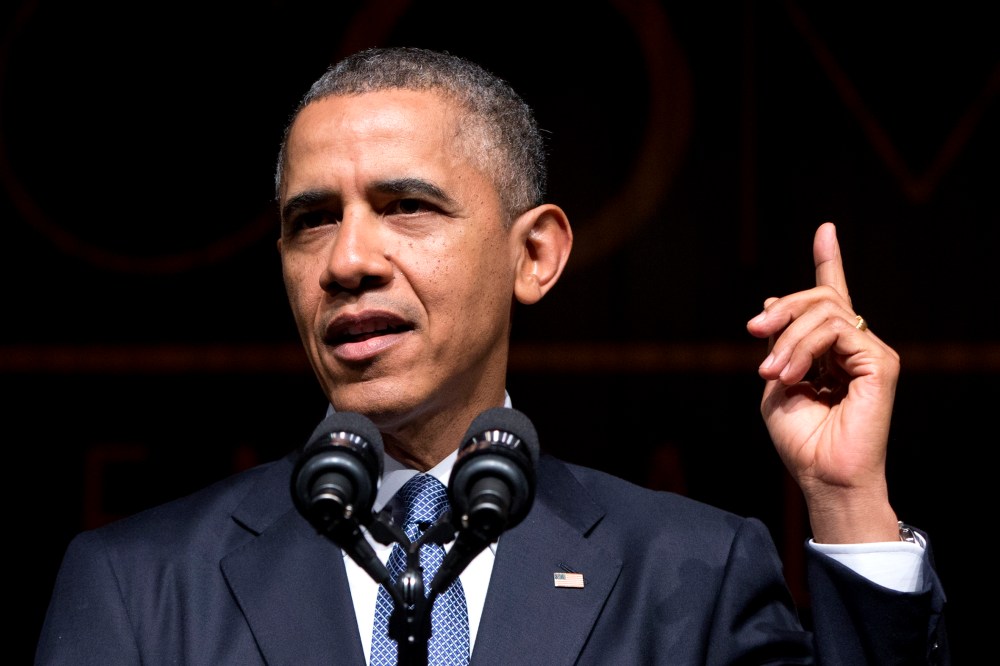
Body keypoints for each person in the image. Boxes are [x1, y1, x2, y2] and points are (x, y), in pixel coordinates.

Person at [35, 46, 948, 665]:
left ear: (535, 255)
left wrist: (844, 500)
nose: (348, 262)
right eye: (311, 221)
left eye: (407, 207)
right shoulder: (136, 587)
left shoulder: (688, 576)